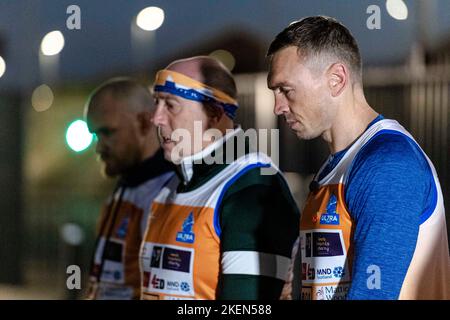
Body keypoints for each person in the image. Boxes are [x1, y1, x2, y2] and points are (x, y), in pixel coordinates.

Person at [267, 16, 450, 300]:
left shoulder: (388, 163)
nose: (278, 106)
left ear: (337, 79)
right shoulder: (337, 167)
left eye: (286, 90)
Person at [139, 56, 299, 300]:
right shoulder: (174, 182)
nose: (156, 118)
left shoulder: (254, 185)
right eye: (156, 103)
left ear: (214, 113)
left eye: (170, 105)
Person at [84, 78, 174, 299]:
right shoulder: (124, 190)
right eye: (95, 135)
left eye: (108, 132)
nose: (98, 147)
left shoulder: (169, 197)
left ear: (144, 123)